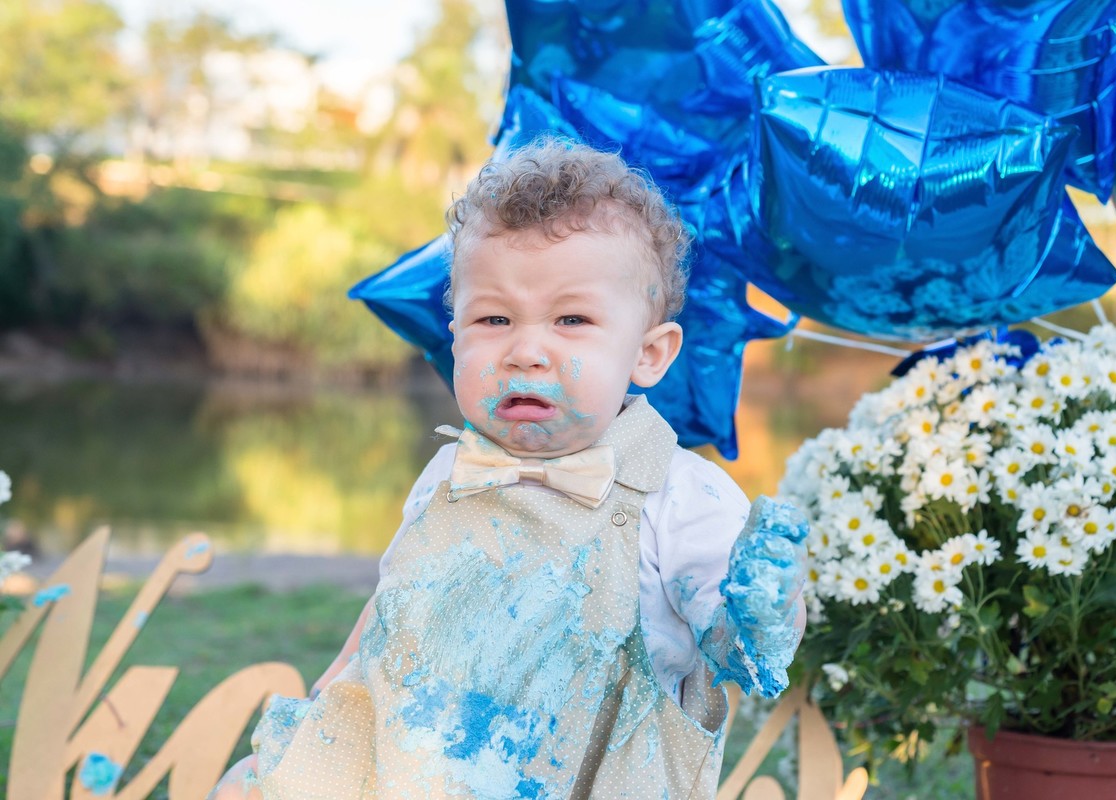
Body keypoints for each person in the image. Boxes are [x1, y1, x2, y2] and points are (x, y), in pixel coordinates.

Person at [210, 139, 807, 800]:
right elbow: (393, 610)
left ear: (649, 354)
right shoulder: (450, 472)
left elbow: (733, 653)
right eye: (493, 318)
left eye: (572, 319)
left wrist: (763, 608)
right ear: (456, 334)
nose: (526, 350)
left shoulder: (680, 496)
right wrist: (327, 695)